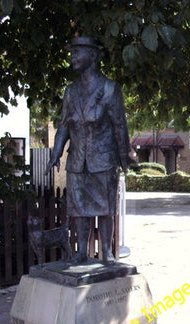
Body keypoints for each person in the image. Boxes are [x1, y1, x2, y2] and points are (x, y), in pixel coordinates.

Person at [45, 36, 131, 264]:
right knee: (79, 209)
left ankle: (107, 251)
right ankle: (82, 250)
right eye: (72, 52)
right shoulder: (70, 92)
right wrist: (57, 153)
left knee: (105, 208)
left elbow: (120, 126)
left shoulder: (110, 89)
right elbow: (64, 125)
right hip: (78, 160)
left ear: (92, 56)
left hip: (103, 159)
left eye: (77, 52)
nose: (72, 57)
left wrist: (125, 158)